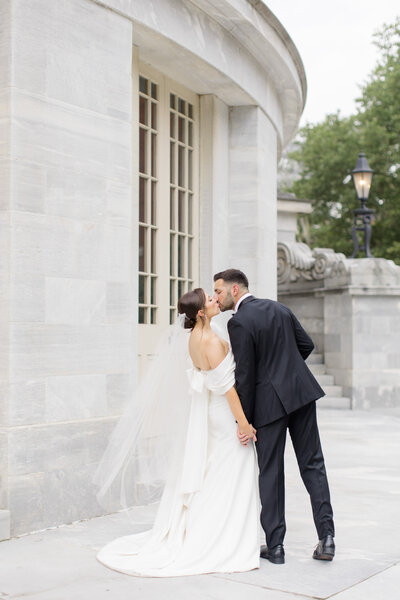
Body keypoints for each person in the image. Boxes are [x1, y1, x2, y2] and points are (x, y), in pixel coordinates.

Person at [93, 288, 260, 577]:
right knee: (233, 469)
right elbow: (227, 389)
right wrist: (243, 424)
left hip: (212, 411)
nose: (214, 301)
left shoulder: (194, 338)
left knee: (215, 472)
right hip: (223, 413)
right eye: (209, 299)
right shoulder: (209, 341)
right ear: (200, 313)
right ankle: (219, 537)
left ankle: (213, 529)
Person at [213, 269, 335, 565]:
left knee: (271, 471)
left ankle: (276, 547)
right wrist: (286, 370)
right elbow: (305, 345)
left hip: (268, 406)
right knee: (313, 464)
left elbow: (245, 374)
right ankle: (327, 538)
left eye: (218, 291)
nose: (215, 297)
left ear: (236, 290)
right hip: (301, 394)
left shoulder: (239, 322)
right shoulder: (280, 308)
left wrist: (244, 421)